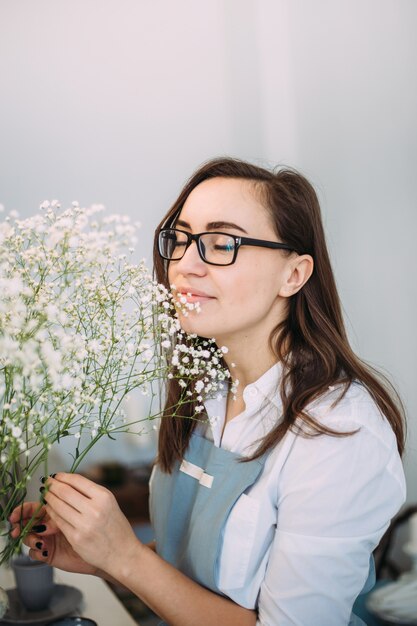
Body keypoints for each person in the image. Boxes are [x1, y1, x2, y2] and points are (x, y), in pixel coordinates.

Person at [10, 158, 406, 626]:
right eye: (179, 240)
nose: (184, 265)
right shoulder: (202, 394)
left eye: (222, 243)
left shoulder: (340, 431)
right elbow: (200, 567)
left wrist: (126, 558)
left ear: (294, 275)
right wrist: (101, 553)